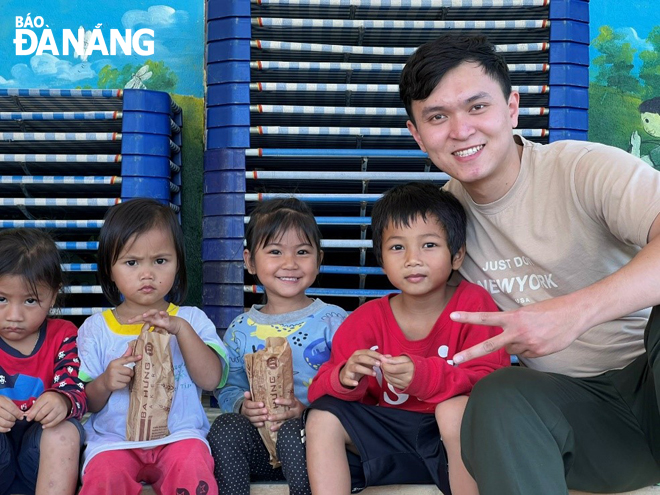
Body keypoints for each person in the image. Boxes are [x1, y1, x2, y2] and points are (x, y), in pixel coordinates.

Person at [400, 34, 660, 494]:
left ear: (512, 107)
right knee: (498, 395)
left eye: (477, 107)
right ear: (418, 135)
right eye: (438, 117)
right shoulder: (440, 227)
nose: (461, 130)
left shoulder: (582, 168)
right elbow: (417, 326)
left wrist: (574, 312)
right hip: (584, 425)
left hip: (649, 381)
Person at [305, 182, 509, 495]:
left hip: (450, 446)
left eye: (428, 245)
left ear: (456, 255)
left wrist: (423, 376)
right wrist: (346, 377)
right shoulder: (366, 319)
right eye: (397, 247)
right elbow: (319, 390)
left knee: (453, 411)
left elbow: (493, 381)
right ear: (381, 259)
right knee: (321, 418)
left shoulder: (472, 305)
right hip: (385, 440)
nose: (412, 259)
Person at [77, 199, 228, 495]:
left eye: (160, 261)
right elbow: (86, 402)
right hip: (113, 442)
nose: (147, 274)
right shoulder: (95, 329)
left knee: (193, 469)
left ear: (178, 263)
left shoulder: (191, 319)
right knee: (104, 475)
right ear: (109, 268)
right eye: (132, 262)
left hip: (180, 438)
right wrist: (106, 382)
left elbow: (211, 380)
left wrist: (181, 331)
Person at [207, 197, 348, 495]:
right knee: (224, 429)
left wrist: (308, 411)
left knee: (292, 432)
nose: (290, 263)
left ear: (319, 259)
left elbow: (352, 387)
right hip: (260, 446)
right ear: (250, 261)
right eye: (275, 251)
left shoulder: (335, 321)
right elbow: (227, 385)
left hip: (316, 447)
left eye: (302, 252)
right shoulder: (240, 330)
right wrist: (242, 407)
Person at [0, 228, 86, 495]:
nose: (14, 315)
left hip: (39, 462)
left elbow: (78, 392)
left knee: (65, 431)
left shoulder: (63, 335)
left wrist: (63, 400)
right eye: (1, 299)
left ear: (53, 295)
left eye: (30, 300)